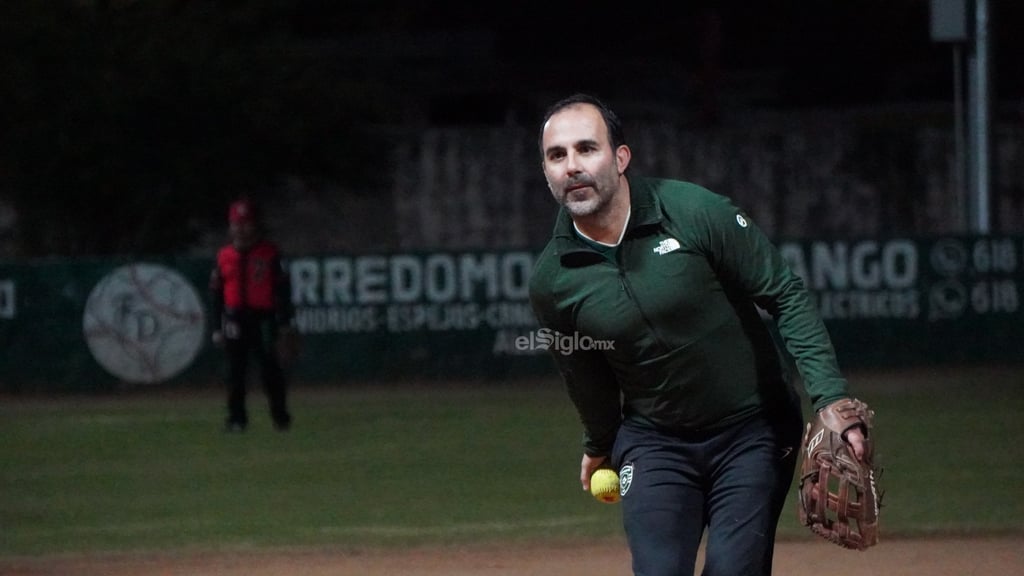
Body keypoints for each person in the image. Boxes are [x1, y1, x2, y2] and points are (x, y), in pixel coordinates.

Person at [528, 93, 870, 575]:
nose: (572, 166)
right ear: (545, 172)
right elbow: (585, 373)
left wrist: (830, 397)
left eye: (587, 148)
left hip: (754, 431)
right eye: (556, 155)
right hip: (655, 442)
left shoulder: (693, 212)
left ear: (621, 157)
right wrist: (598, 443)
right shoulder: (552, 281)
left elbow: (785, 294)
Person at [210, 198, 295, 432]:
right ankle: (237, 419)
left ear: (255, 225)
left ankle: (281, 418)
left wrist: (285, 322)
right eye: (236, 223)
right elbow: (217, 294)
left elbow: (283, 290)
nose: (241, 229)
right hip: (235, 318)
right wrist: (217, 326)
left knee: (270, 370)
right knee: (235, 372)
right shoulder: (224, 255)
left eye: (246, 223)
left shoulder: (269, 253)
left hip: (263, 317)